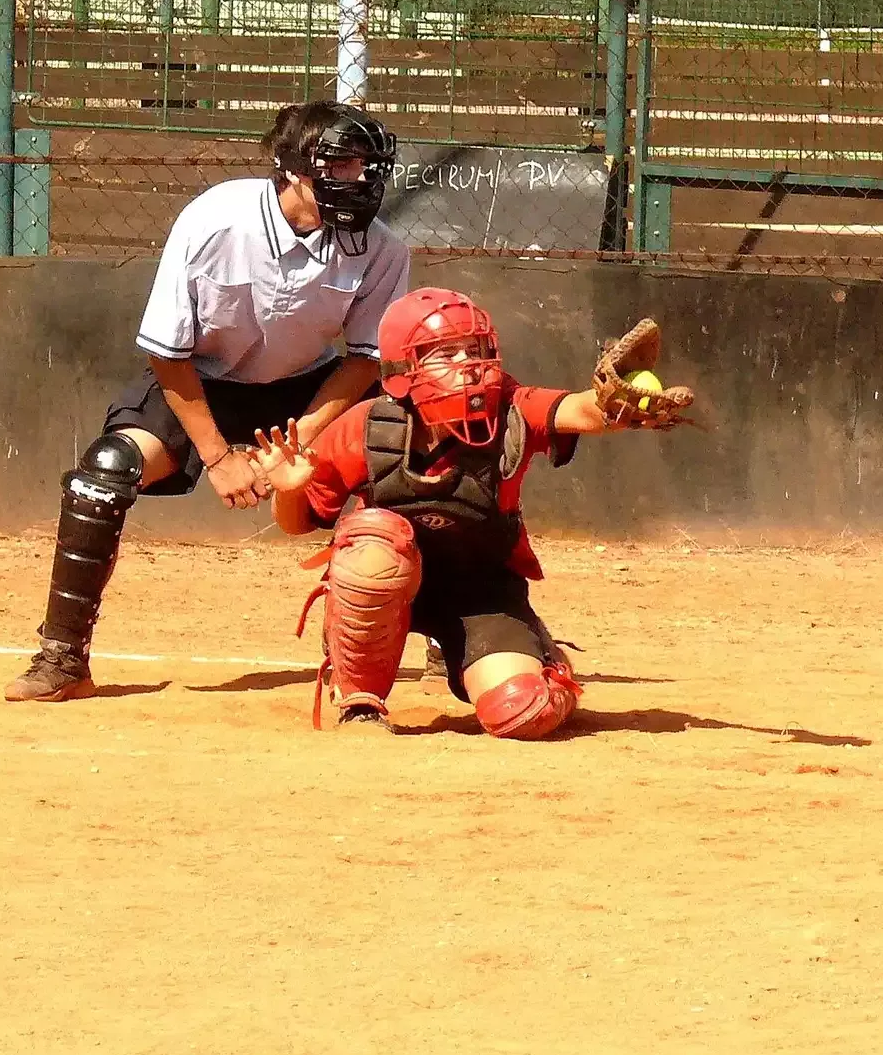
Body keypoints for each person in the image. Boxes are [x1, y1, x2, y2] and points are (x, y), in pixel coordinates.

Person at [5, 101, 410, 702]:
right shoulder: (215, 221)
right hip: (200, 383)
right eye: (344, 164)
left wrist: (299, 439)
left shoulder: (380, 248)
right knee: (105, 472)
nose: (363, 180)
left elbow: (364, 359)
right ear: (294, 168)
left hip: (308, 386)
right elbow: (167, 353)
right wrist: (220, 458)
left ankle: (390, 646)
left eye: (370, 166)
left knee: (396, 454)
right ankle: (63, 659)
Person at [248, 287, 689, 738]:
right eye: (446, 354)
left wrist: (614, 404)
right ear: (404, 371)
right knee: (371, 549)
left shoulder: (510, 408)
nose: (469, 365)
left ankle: (545, 667)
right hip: (388, 585)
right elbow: (296, 523)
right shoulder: (366, 425)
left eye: (476, 350)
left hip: (481, 590)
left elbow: (575, 410)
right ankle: (361, 701)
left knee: (522, 712)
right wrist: (288, 490)